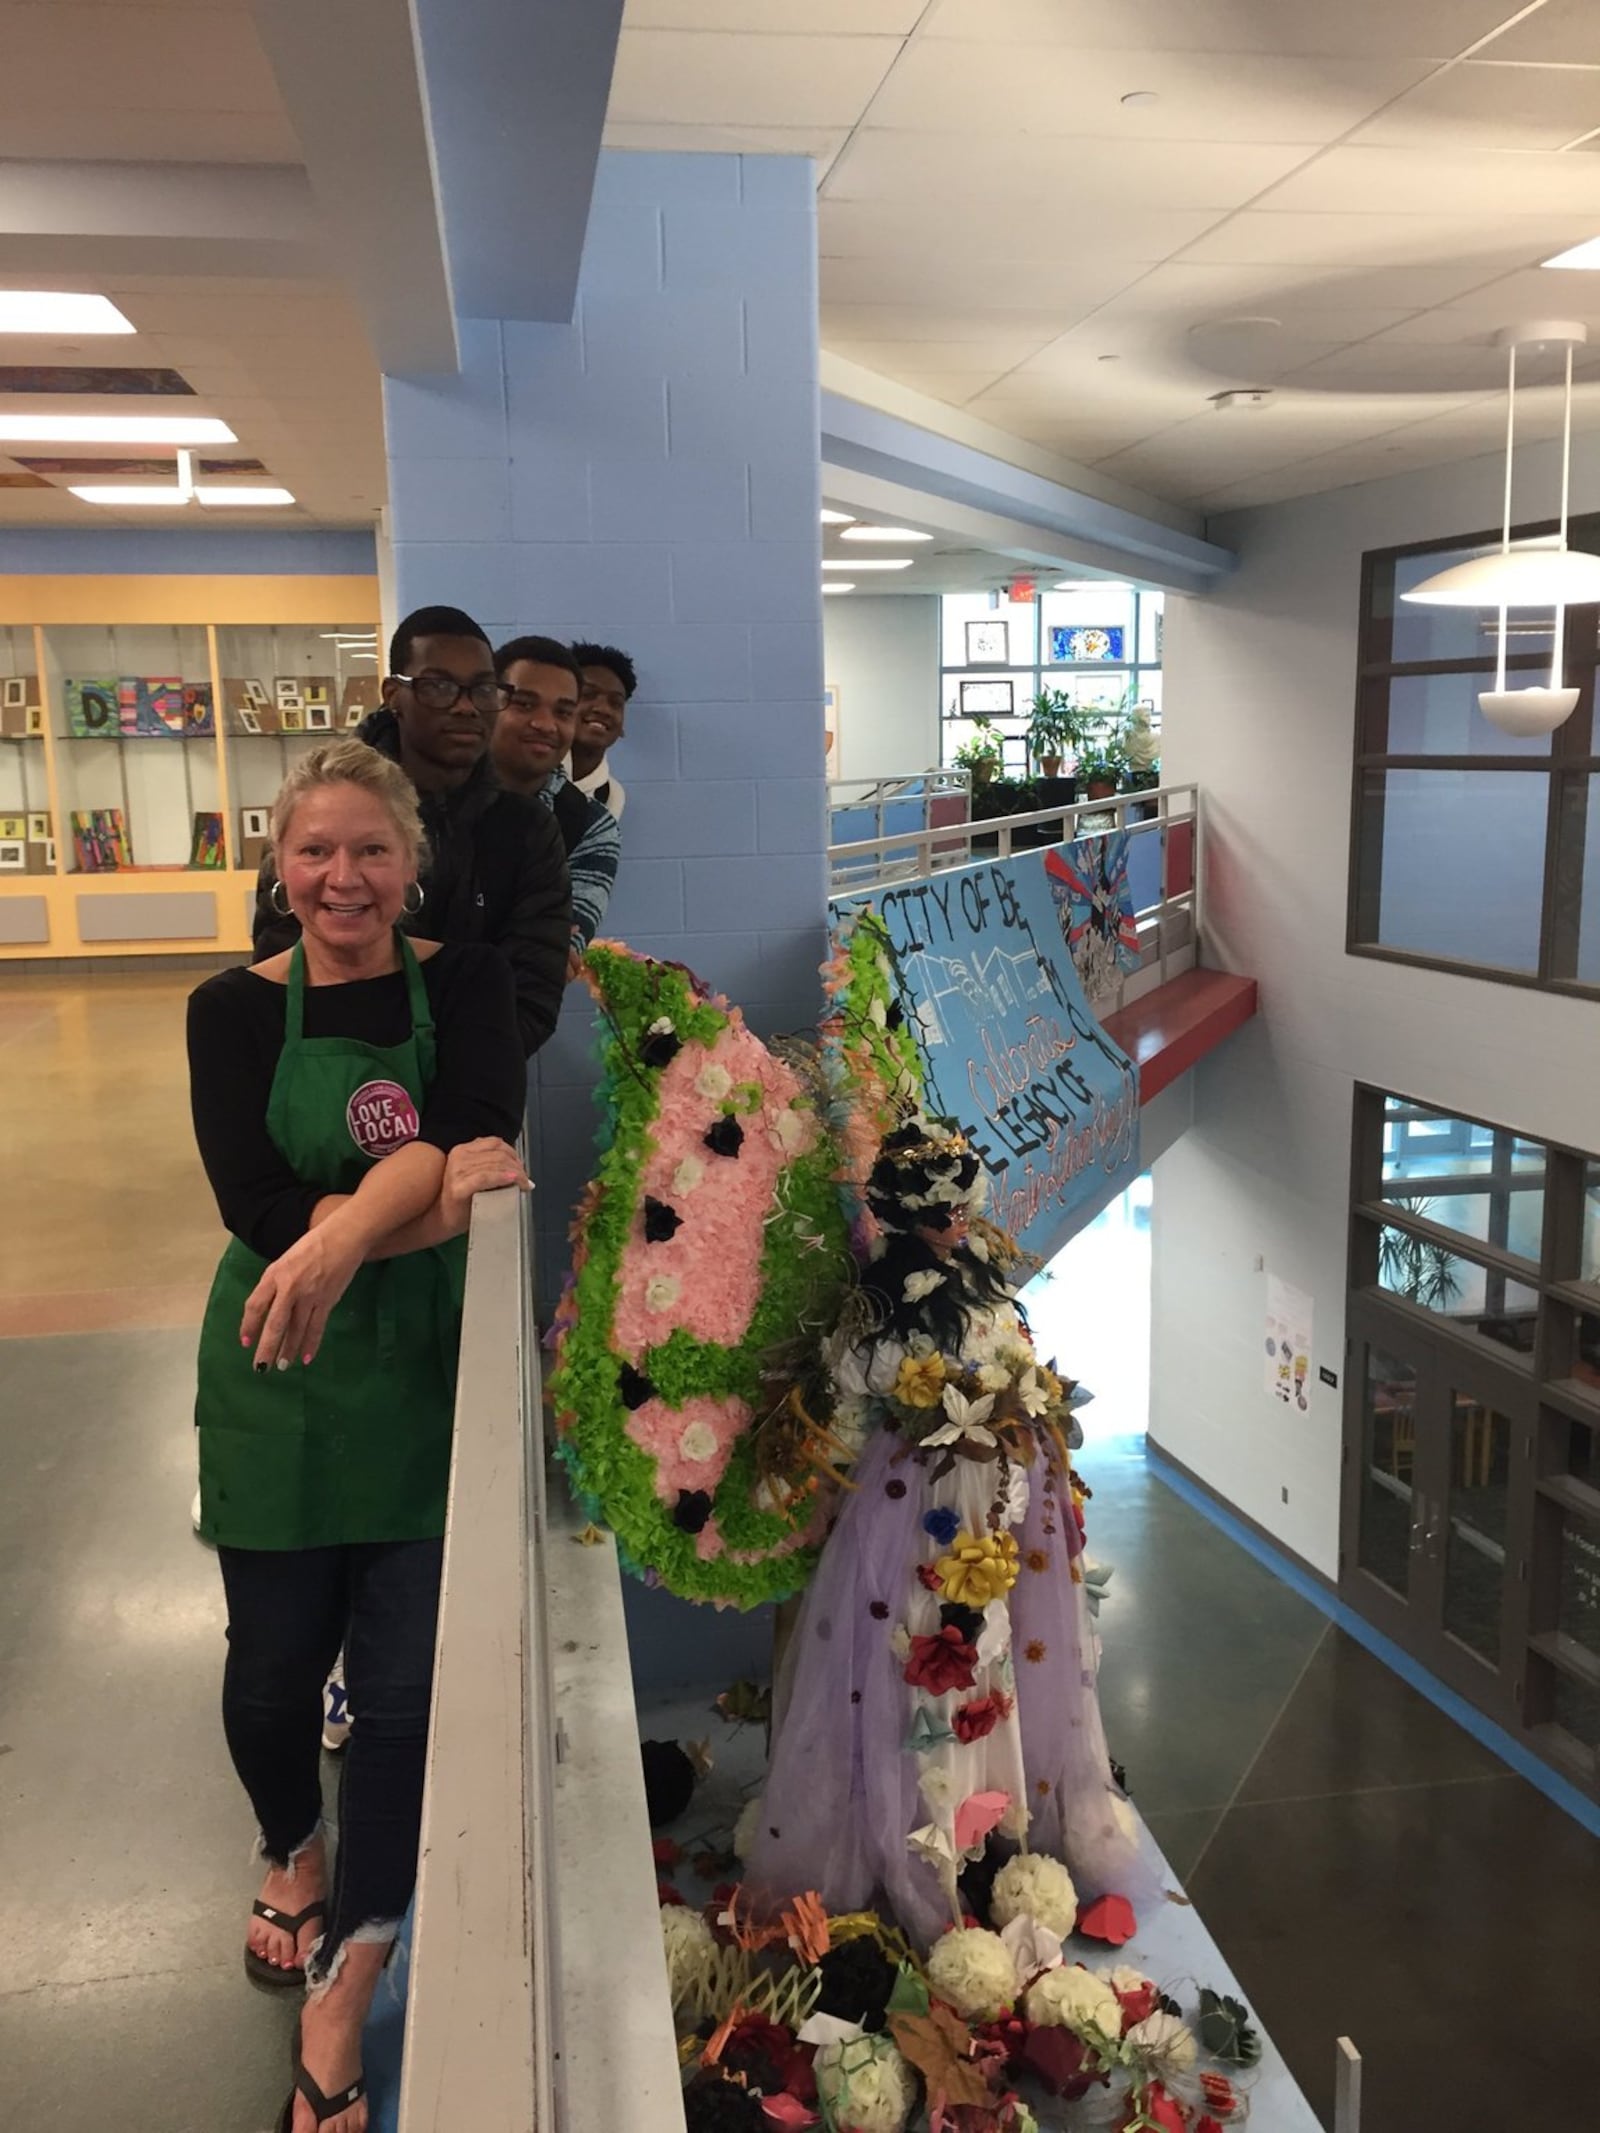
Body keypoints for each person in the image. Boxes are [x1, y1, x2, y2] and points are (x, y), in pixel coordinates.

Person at [189, 739, 528, 2133]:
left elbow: (483, 1132)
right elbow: (258, 1200)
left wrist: (343, 1251)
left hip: (428, 1372)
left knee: (398, 1703)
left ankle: (355, 1962)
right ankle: (292, 1840)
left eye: (371, 850)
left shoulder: (467, 981)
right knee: (272, 1679)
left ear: (412, 863)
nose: (344, 877)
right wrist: (384, 1224)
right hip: (278, 1362)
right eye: (317, 851)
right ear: (279, 864)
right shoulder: (225, 1009)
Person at [253, 604, 571, 1058]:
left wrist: (449, 1088)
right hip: (331, 1079)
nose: (464, 706)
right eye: (438, 686)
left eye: (482, 688)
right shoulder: (318, 807)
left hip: (475, 1092)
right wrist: (378, 1082)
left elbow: (531, 998)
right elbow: (277, 965)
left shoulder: (526, 830)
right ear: (393, 695)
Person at [489, 633, 620, 976]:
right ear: (488, 701)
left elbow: (553, 963)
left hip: (511, 1020)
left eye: (563, 712)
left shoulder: (591, 827)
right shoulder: (431, 796)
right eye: (525, 704)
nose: (545, 724)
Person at [568, 641, 636, 820]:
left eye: (616, 703)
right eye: (588, 694)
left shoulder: (611, 796)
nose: (603, 709)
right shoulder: (529, 770)